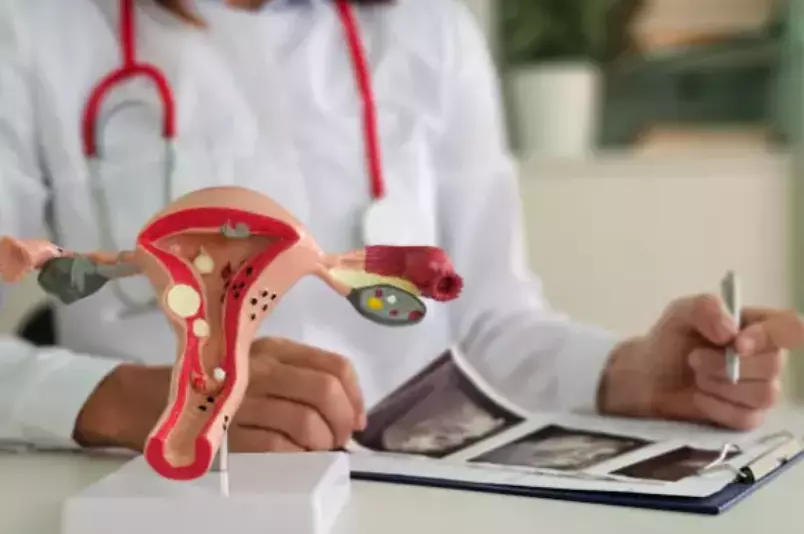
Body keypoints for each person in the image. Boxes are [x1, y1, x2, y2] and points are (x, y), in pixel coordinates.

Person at [0, 0, 800, 455]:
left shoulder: (429, 30)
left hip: (418, 497)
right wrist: (137, 401)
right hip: (164, 495)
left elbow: (488, 325)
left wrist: (626, 375)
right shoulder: (35, 30)